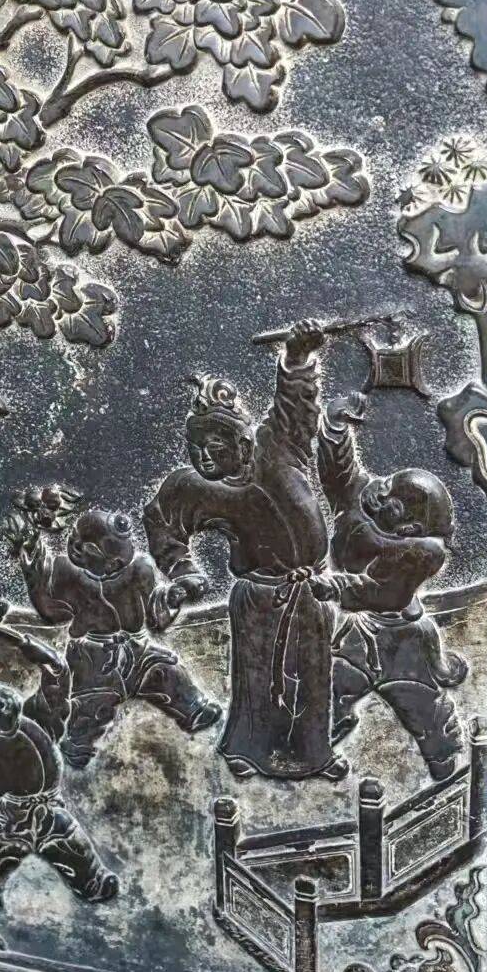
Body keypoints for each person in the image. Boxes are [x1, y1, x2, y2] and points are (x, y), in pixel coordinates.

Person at [144, 321, 343, 781]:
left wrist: (297, 357)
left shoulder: (280, 446)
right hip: (258, 596)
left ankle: (314, 754)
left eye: (214, 446)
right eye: (195, 448)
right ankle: (248, 751)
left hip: (311, 589)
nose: (203, 457)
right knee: (256, 680)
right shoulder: (193, 487)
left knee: (313, 672)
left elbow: (295, 403)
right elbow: (162, 522)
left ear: (242, 441)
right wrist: (183, 570)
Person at [317, 391, 467, 782]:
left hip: (402, 636)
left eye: (393, 502)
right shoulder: (362, 502)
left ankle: (444, 758)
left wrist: (336, 587)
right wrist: (336, 430)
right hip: (356, 630)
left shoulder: (418, 554)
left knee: (419, 702)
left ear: (408, 528)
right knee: (333, 684)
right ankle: (318, 744)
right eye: (387, 485)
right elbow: (340, 474)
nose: (381, 495)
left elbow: (383, 592)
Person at [13, 503, 221, 768]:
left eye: (118, 564)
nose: (114, 567)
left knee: (167, 670)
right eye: (109, 562)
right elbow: (51, 609)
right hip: (93, 657)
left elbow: (154, 610)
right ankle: (77, 746)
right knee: (92, 704)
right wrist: (34, 567)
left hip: (139, 648)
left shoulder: (141, 569)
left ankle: (194, 709)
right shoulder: (66, 572)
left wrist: (172, 596)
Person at [0, 616, 119, 909]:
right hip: (9, 814)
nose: (2, 704)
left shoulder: (38, 716)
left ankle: (93, 885)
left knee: (73, 846)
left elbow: (57, 670)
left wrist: (10, 635)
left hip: (49, 809)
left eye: (0, 694)